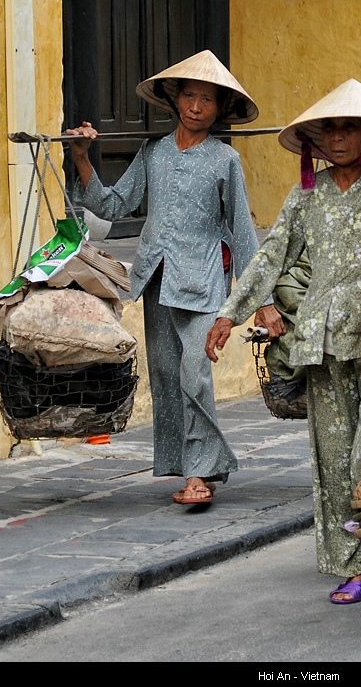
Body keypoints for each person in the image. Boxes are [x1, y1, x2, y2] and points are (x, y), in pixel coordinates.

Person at [205, 79, 361, 604]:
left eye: (348, 126)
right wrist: (230, 312)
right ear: (315, 139)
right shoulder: (306, 194)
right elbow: (272, 256)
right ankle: (354, 567)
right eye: (328, 129)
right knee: (334, 457)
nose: (337, 138)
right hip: (324, 337)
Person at [67, 50, 284, 506]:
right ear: (175, 99)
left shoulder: (225, 160)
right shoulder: (153, 153)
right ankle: (192, 466)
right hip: (156, 278)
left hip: (204, 280)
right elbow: (112, 206)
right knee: (166, 374)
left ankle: (201, 474)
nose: (197, 107)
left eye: (208, 100)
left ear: (220, 109)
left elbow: (242, 232)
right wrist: (83, 158)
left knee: (194, 373)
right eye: (190, 96)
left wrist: (261, 300)